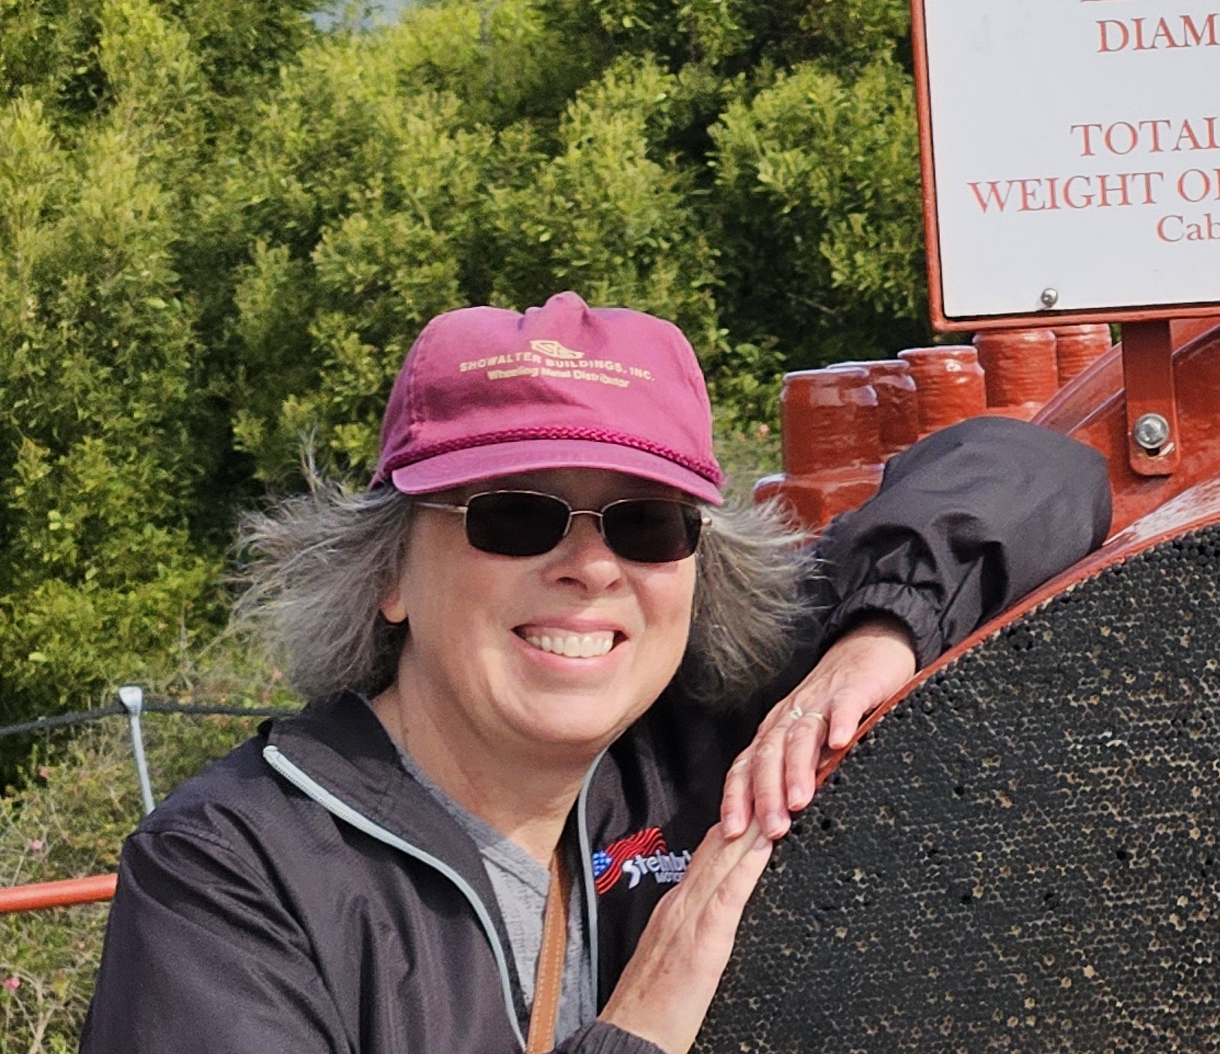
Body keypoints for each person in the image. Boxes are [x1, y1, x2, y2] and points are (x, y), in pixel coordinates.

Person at [87, 294, 1108, 1054]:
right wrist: (639, 1030)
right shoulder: (231, 876)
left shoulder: (711, 739)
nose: (591, 566)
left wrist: (875, 637)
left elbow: (1036, 471)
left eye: (647, 524)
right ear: (389, 572)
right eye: (515, 516)